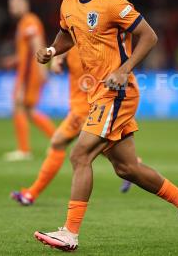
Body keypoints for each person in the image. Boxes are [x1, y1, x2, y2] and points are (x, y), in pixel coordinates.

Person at [32, 0, 178, 251]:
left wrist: (125, 69)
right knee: (127, 168)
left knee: (80, 154)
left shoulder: (112, 3)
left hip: (118, 91)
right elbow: (66, 34)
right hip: (98, 93)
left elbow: (148, 36)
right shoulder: (68, 2)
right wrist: (51, 50)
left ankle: (69, 233)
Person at [10, 46, 135, 206]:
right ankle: (129, 164)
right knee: (90, 148)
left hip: (86, 107)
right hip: (79, 104)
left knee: (61, 143)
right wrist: (58, 57)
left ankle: (31, 194)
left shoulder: (93, 38)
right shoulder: (75, 32)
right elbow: (67, 41)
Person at [3, 0, 56, 161]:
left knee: (20, 106)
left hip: (29, 73)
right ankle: (57, 140)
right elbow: (26, 50)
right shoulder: (23, 23)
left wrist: (42, 70)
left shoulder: (29, 21)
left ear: (25, 5)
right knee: (28, 111)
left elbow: (37, 45)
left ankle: (24, 150)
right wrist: (15, 59)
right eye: (10, 5)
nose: (12, 8)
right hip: (26, 71)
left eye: (15, 5)